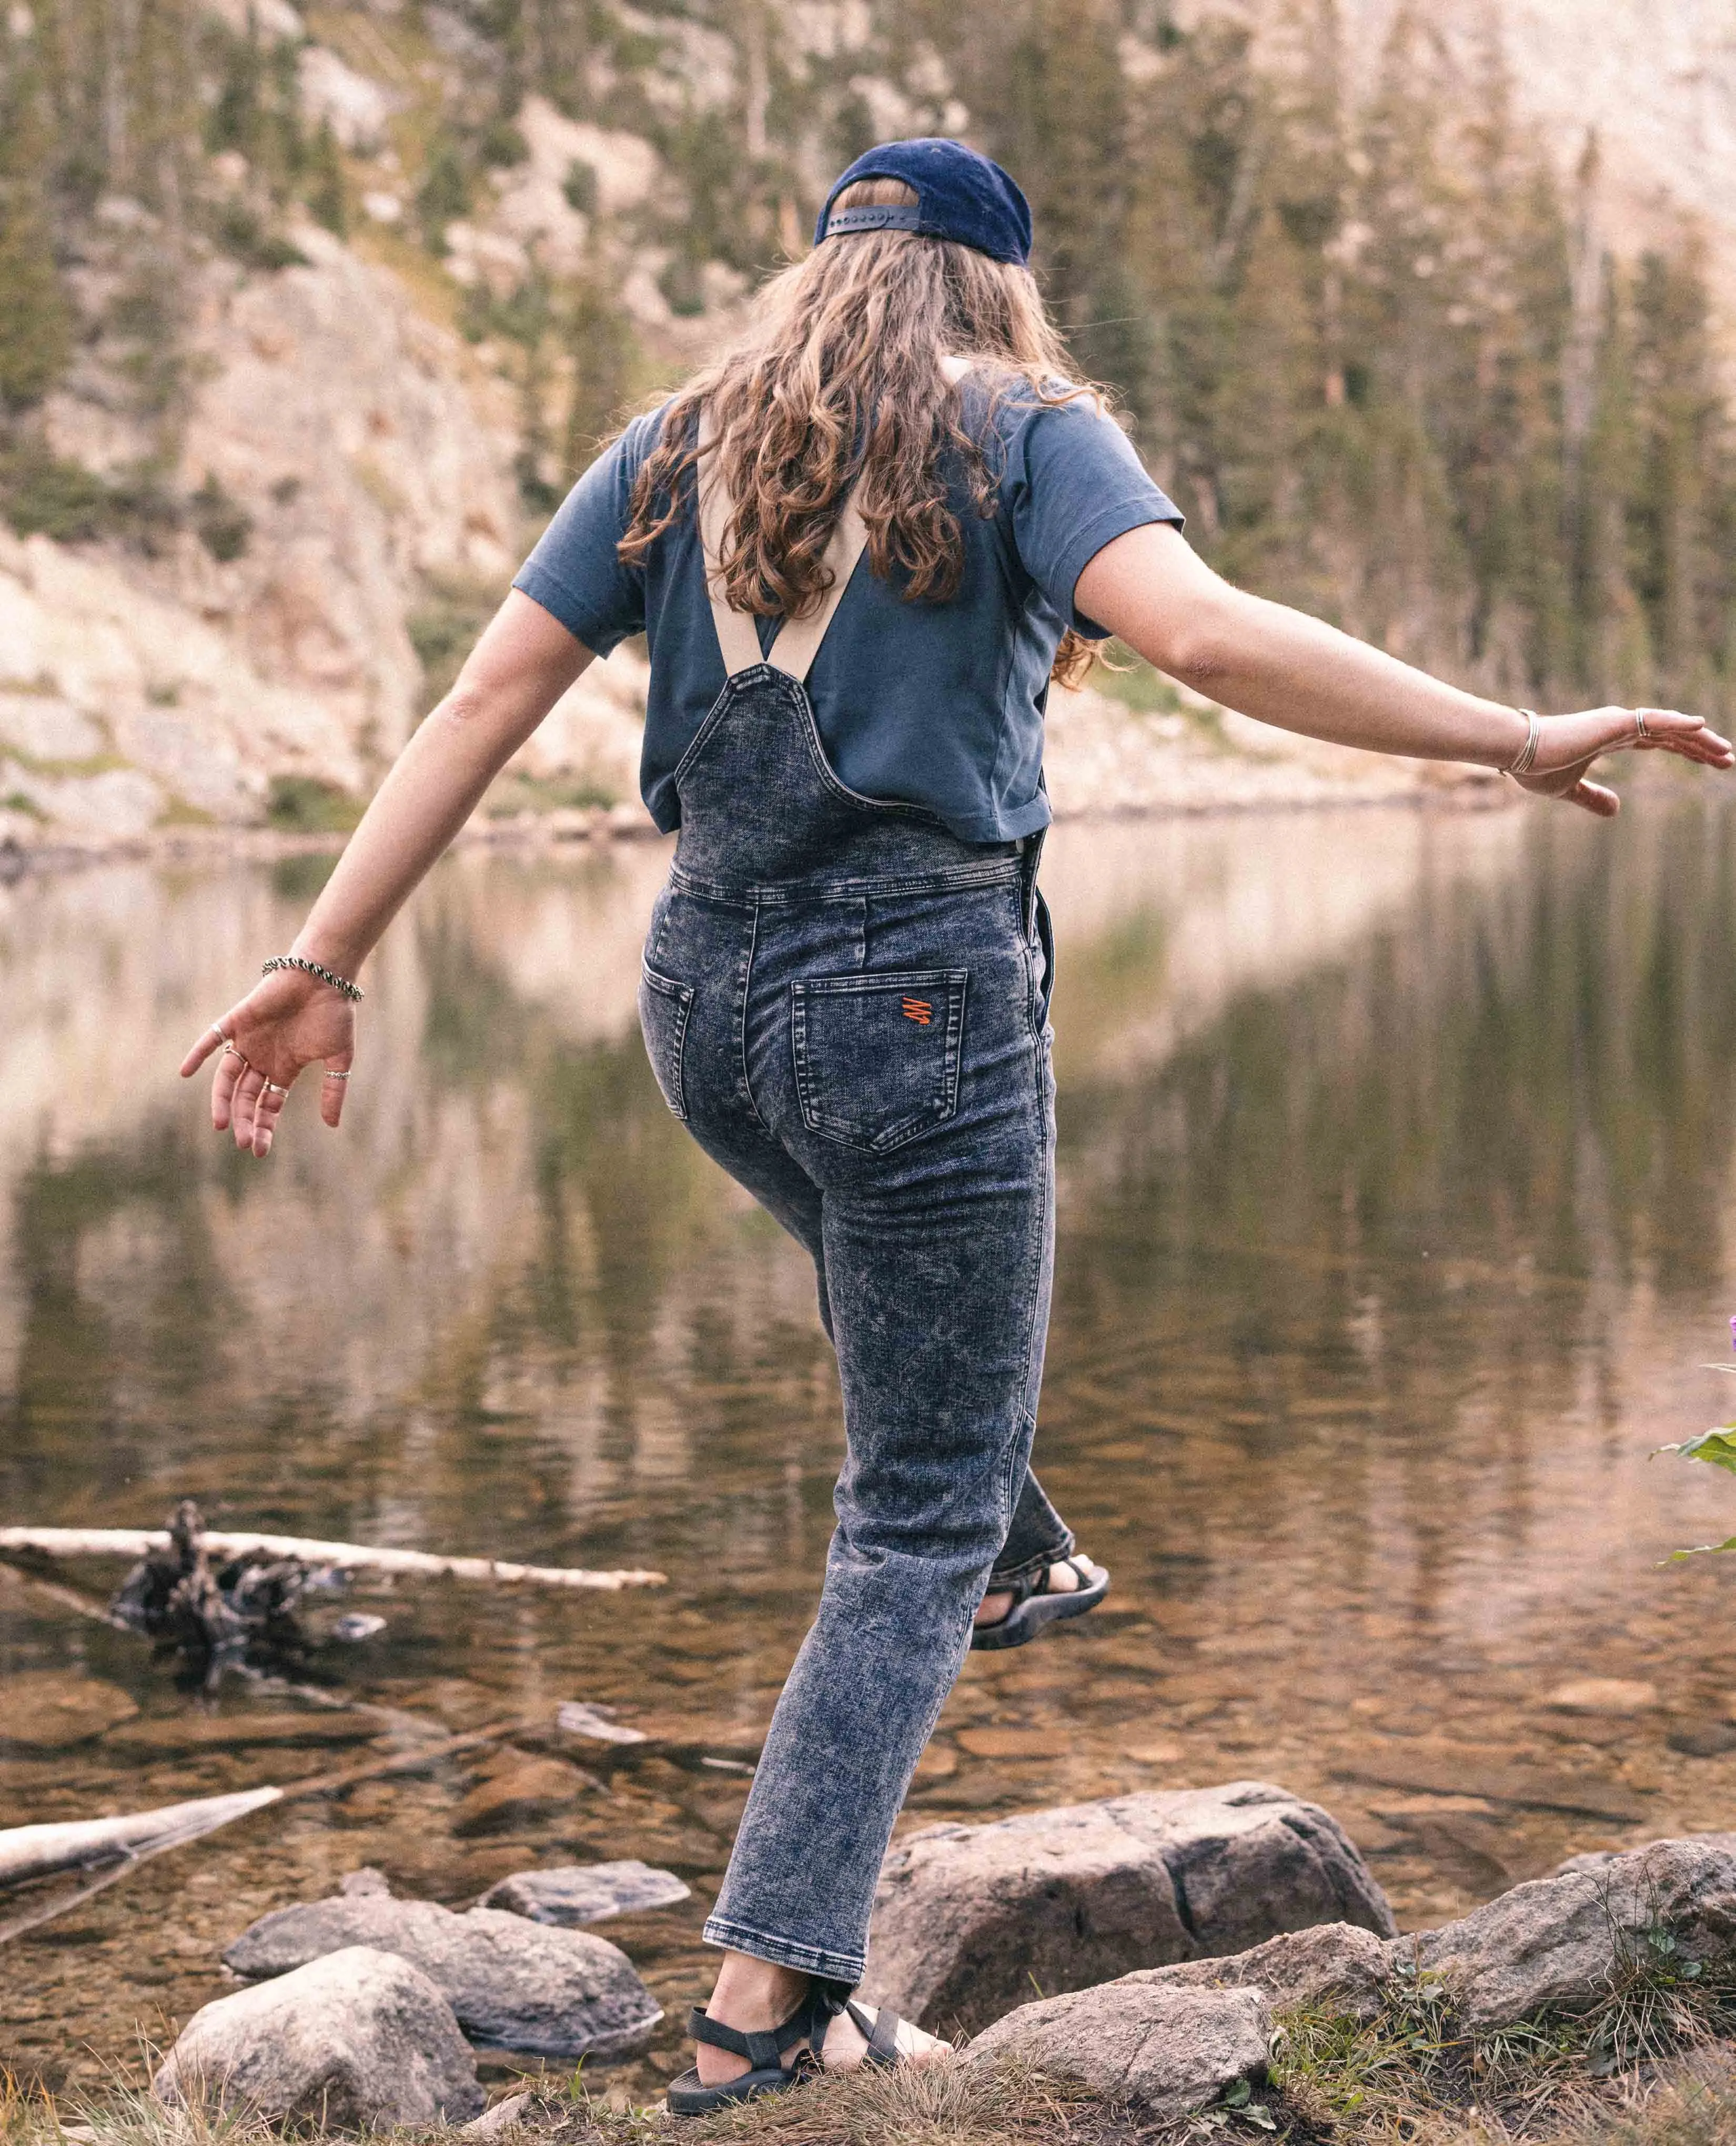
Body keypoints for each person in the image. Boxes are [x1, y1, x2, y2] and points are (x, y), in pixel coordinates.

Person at [181, 137, 1732, 2110]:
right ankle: (774, 2005)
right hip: (913, 1006)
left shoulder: (670, 448)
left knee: (902, 1334)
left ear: (815, 275)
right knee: (906, 1507)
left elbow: (487, 695)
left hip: (701, 1010)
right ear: (1001, 285)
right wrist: (1513, 735)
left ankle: (1008, 1547)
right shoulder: (1022, 429)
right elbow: (1211, 638)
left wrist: (323, 960)